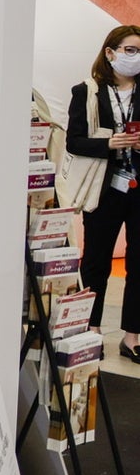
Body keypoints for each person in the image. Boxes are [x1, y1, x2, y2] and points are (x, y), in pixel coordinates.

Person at [65, 24, 140, 363]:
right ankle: (91, 327)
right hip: (103, 187)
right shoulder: (87, 91)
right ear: (110, 53)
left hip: (137, 187)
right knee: (96, 260)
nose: (135, 57)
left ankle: (132, 335)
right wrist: (109, 143)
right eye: (129, 50)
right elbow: (74, 141)